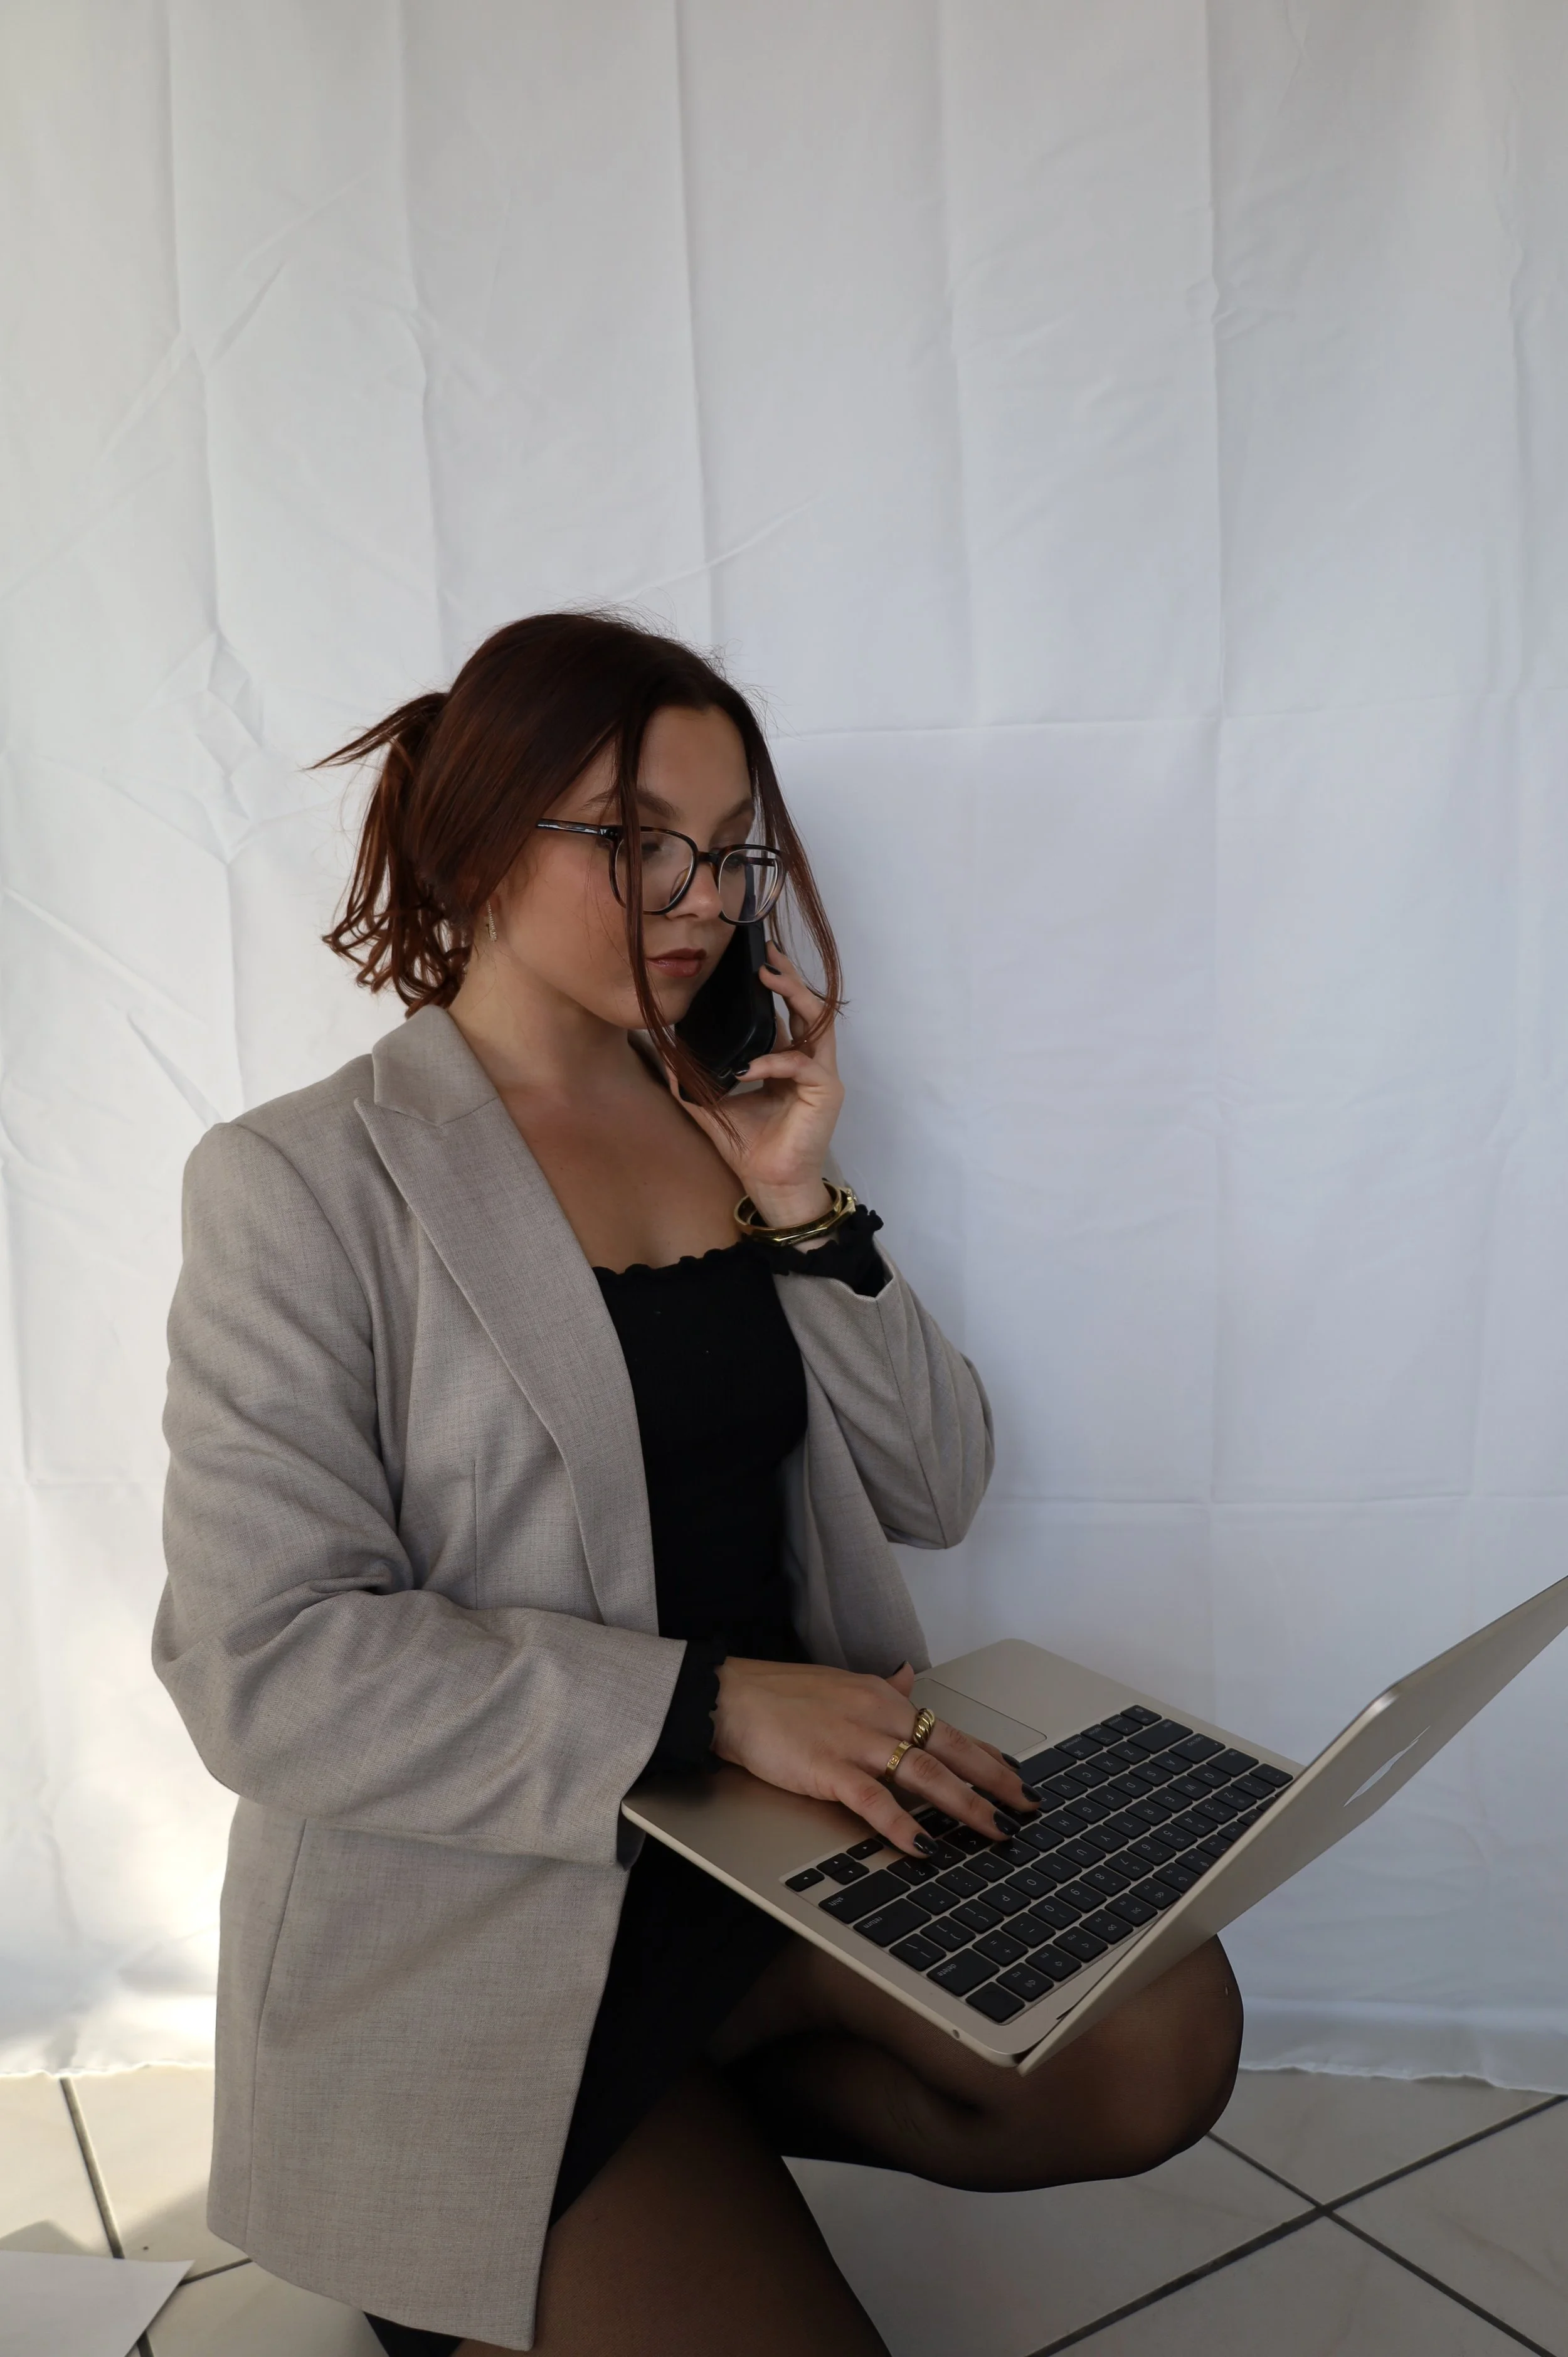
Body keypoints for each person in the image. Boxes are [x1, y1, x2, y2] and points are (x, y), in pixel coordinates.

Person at [153, 612, 1242, 2357]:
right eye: (633, 837)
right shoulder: (303, 1180)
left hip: (759, 1862)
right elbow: (260, 1662)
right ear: (478, 836)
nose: (701, 895)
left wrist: (806, 1206)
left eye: (729, 846)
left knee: (1157, 2039)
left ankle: (695, 2118)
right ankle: (552, 2190)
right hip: (484, 1909)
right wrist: (711, 1701)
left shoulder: (729, 1118)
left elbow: (940, 1482)